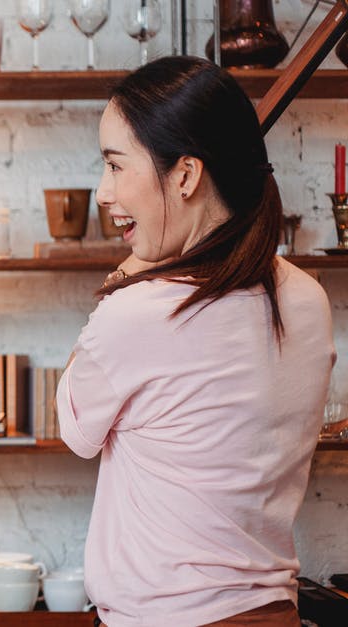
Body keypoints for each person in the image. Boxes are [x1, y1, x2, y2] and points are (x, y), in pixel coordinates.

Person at [57, 56, 334, 626]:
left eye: (115, 166)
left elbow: (76, 431)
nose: (105, 192)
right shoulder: (307, 299)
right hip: (273, 614)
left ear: (185, 175)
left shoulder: (137, 314)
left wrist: (130, 272)